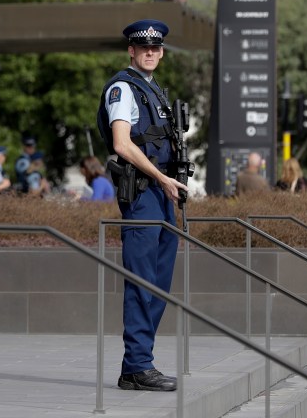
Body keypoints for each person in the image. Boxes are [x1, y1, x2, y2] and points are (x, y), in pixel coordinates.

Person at [96, 19, 187, 392]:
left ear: (161, 52)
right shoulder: (123, 88)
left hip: (162, 193)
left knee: (160, 282)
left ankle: (139, 362)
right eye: (143, 47)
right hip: (144, 194)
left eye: (156, 48)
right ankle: (136, 365)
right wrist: (163, 179)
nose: (150, 52)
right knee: (141, 280)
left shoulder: (155, 90)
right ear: (131, 51)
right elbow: (122, 143)